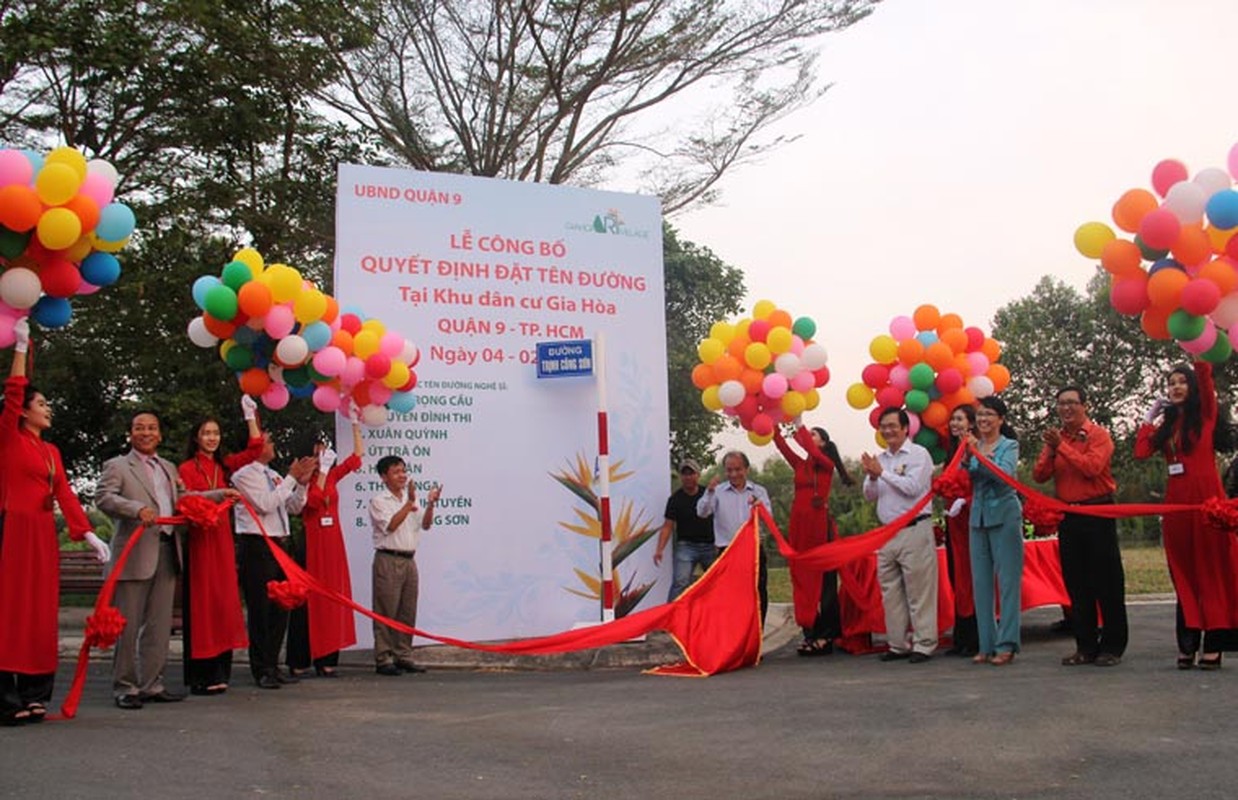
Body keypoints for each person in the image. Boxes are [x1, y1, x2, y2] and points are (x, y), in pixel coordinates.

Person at [0, 321, 108, 725]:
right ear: (25, 410)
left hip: (42, 536)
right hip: (12, 529)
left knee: (39, 612)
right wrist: (21, 349)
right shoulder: (9, 436)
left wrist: (90, 534)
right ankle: (6, 697)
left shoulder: (51, 451)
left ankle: (34, 692)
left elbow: (64, 494)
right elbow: (13, 393)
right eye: (42, 403)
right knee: (9, 612)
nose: (48, 409)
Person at [98, 408, 231, 708]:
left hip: (168, 552)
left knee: (158, 625)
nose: (146, 433)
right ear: (131, 433)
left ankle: (152, 684)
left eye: (152, 428)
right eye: (140, 427)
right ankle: (126, 687)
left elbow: (184, 501)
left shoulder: (168, 468)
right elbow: (104, 497)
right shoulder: (118, 466)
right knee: (128, 625)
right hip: (134, 554)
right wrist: (136, 509)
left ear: (160, 434)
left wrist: (220, 493)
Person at [1135, 361, 1238, 669]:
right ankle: (1187, 643)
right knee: (1184, 574)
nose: (1175, 387)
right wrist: (1149, 418)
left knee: (1210, 572)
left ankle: (1214, 645)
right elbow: (1141, 452)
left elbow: (1206, 381)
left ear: (1192, 388)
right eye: (1170, 383)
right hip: (1177, 507)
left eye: (1181, 382)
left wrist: (1200, 350)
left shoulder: (1205, 415)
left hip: (1208, 506)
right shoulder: (1168, 427)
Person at [1033, 386, 1128, 668]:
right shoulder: (1056, 439)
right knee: (1077, 584)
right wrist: (1052, 449)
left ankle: (1112, 646)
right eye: (1061, 403)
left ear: (1085, 405)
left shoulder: (1098, 435)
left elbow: (1092, 468)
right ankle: (1085, 646)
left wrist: (1062, 447)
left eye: (1072, 403)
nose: (1066, 409)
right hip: (1069, 516)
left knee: (1107, 582)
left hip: (1098, 512)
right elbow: (1040, 475)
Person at [176, 397, 264, 696]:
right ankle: (200, 674)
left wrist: (249, 415)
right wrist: (218, 495)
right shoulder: (186, 468)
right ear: (196, 437)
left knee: (223, 602)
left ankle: (220, 669)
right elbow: (185, 499)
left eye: (215, 433)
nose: (212, 438)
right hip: (201, 541)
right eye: (206, 433)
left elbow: (255, 449)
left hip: (223, 539)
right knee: (203, 604)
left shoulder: (223, 465)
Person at [231, 436, 317, 689]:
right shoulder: (244, 475)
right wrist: (291, 478)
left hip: (280, 544)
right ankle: (261, 668)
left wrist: (301, 485)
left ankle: (273, 663)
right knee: (261, 609)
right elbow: (266, 504)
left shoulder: (273, 475)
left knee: (282, 606)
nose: (272, 445)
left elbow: (292, 507)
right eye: (268, 441)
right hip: (258, 545)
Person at [286, 417, 363, 677]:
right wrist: (318, 474)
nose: (322, 451)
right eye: (318, 447)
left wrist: (354, 424)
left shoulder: (331, 472)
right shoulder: (302, 474)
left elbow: (357, 458)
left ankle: (328, 658)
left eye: (324, 446)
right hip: (312, 542)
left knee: (332, 599)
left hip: (333, 544)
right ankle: (300, 659)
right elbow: (312, 504)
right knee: (307, 603)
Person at [861, 407, 937, 663]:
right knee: (890, 591)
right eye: (884, 426)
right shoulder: (880, 458)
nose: (888, 431)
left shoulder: (919, 455)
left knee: (919, 590)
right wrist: (872, 477)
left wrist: (882, 473)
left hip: (914, 529)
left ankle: (924, 644)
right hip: (887, 532)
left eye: (893, 426)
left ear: (906, 428)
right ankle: (897, 644)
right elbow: (870, 495)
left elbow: (913, 488)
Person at [773, 424, 855, 656]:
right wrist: (774, 429)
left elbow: (809, 448)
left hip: (820, 528)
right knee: (802, 580)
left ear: (824, 444)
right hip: (799, 527)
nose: (809, 438)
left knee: (824, 583)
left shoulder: (826, 466)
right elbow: (783, 448)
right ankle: (810, 632)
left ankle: (826, 635)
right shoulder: (801, 465)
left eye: (813, 435)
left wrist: (799, 425)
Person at [369, 456, 441, 676]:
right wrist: (409, 503)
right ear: (384, 477)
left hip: (410, 560)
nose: (402, 475)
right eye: (396, 472)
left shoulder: (411, 499)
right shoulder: (379, 500)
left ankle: (403, 655)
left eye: (403, 470)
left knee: (407, 610)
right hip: (388, 559)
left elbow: (426, 525)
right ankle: (384, 658)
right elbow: (390, 526)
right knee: (386, 610)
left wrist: (430, 504)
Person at [965, 395, 1023, 667]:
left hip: (1005, 515)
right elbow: (967, 474)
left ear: (1000, 419)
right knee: (981, 585)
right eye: (980, 415)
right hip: (978, 518)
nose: (983, 420)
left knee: (1009, 582)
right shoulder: (972, 445)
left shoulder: (1009, 445)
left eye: (989, 414)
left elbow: (1004, 475)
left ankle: (1007, 643)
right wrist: (969, 455)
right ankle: (985, 644)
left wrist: (978, 455)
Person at [696, 451, 773, 623]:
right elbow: (701, 512)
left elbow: (770, 520)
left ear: (747, 469)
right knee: (729, 596)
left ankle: (756, 634)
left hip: (753, 551)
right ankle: (734, 635)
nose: (733, 474)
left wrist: (759, 508)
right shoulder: (718, 492)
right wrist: (708, 492)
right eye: (729, 470)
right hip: (727, 551)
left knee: (758, 593)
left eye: (738, 470)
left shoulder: (758, 491)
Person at [653, 459, 716, 601]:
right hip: (686, 546)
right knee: (680, 582)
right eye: (685, 474)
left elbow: (720, 518)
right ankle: (670, 616)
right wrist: (659, 549)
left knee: (717, 581)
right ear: (681, 477)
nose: (688, 477)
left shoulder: (708, 494)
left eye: (691, 473)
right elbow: (668, 525)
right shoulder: (675, 499)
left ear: (698, 475)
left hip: (710, 545)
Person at [943, 404, 978, 657]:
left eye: (959, 419)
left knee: (971, 577)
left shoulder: (973, 447)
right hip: (953, 520)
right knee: (958, 576)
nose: (954, 424)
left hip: (970, 518)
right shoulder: (952, 450)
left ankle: (975, 636)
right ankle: (962, 636)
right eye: (952, 419)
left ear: (971, 423)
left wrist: (964, 499)